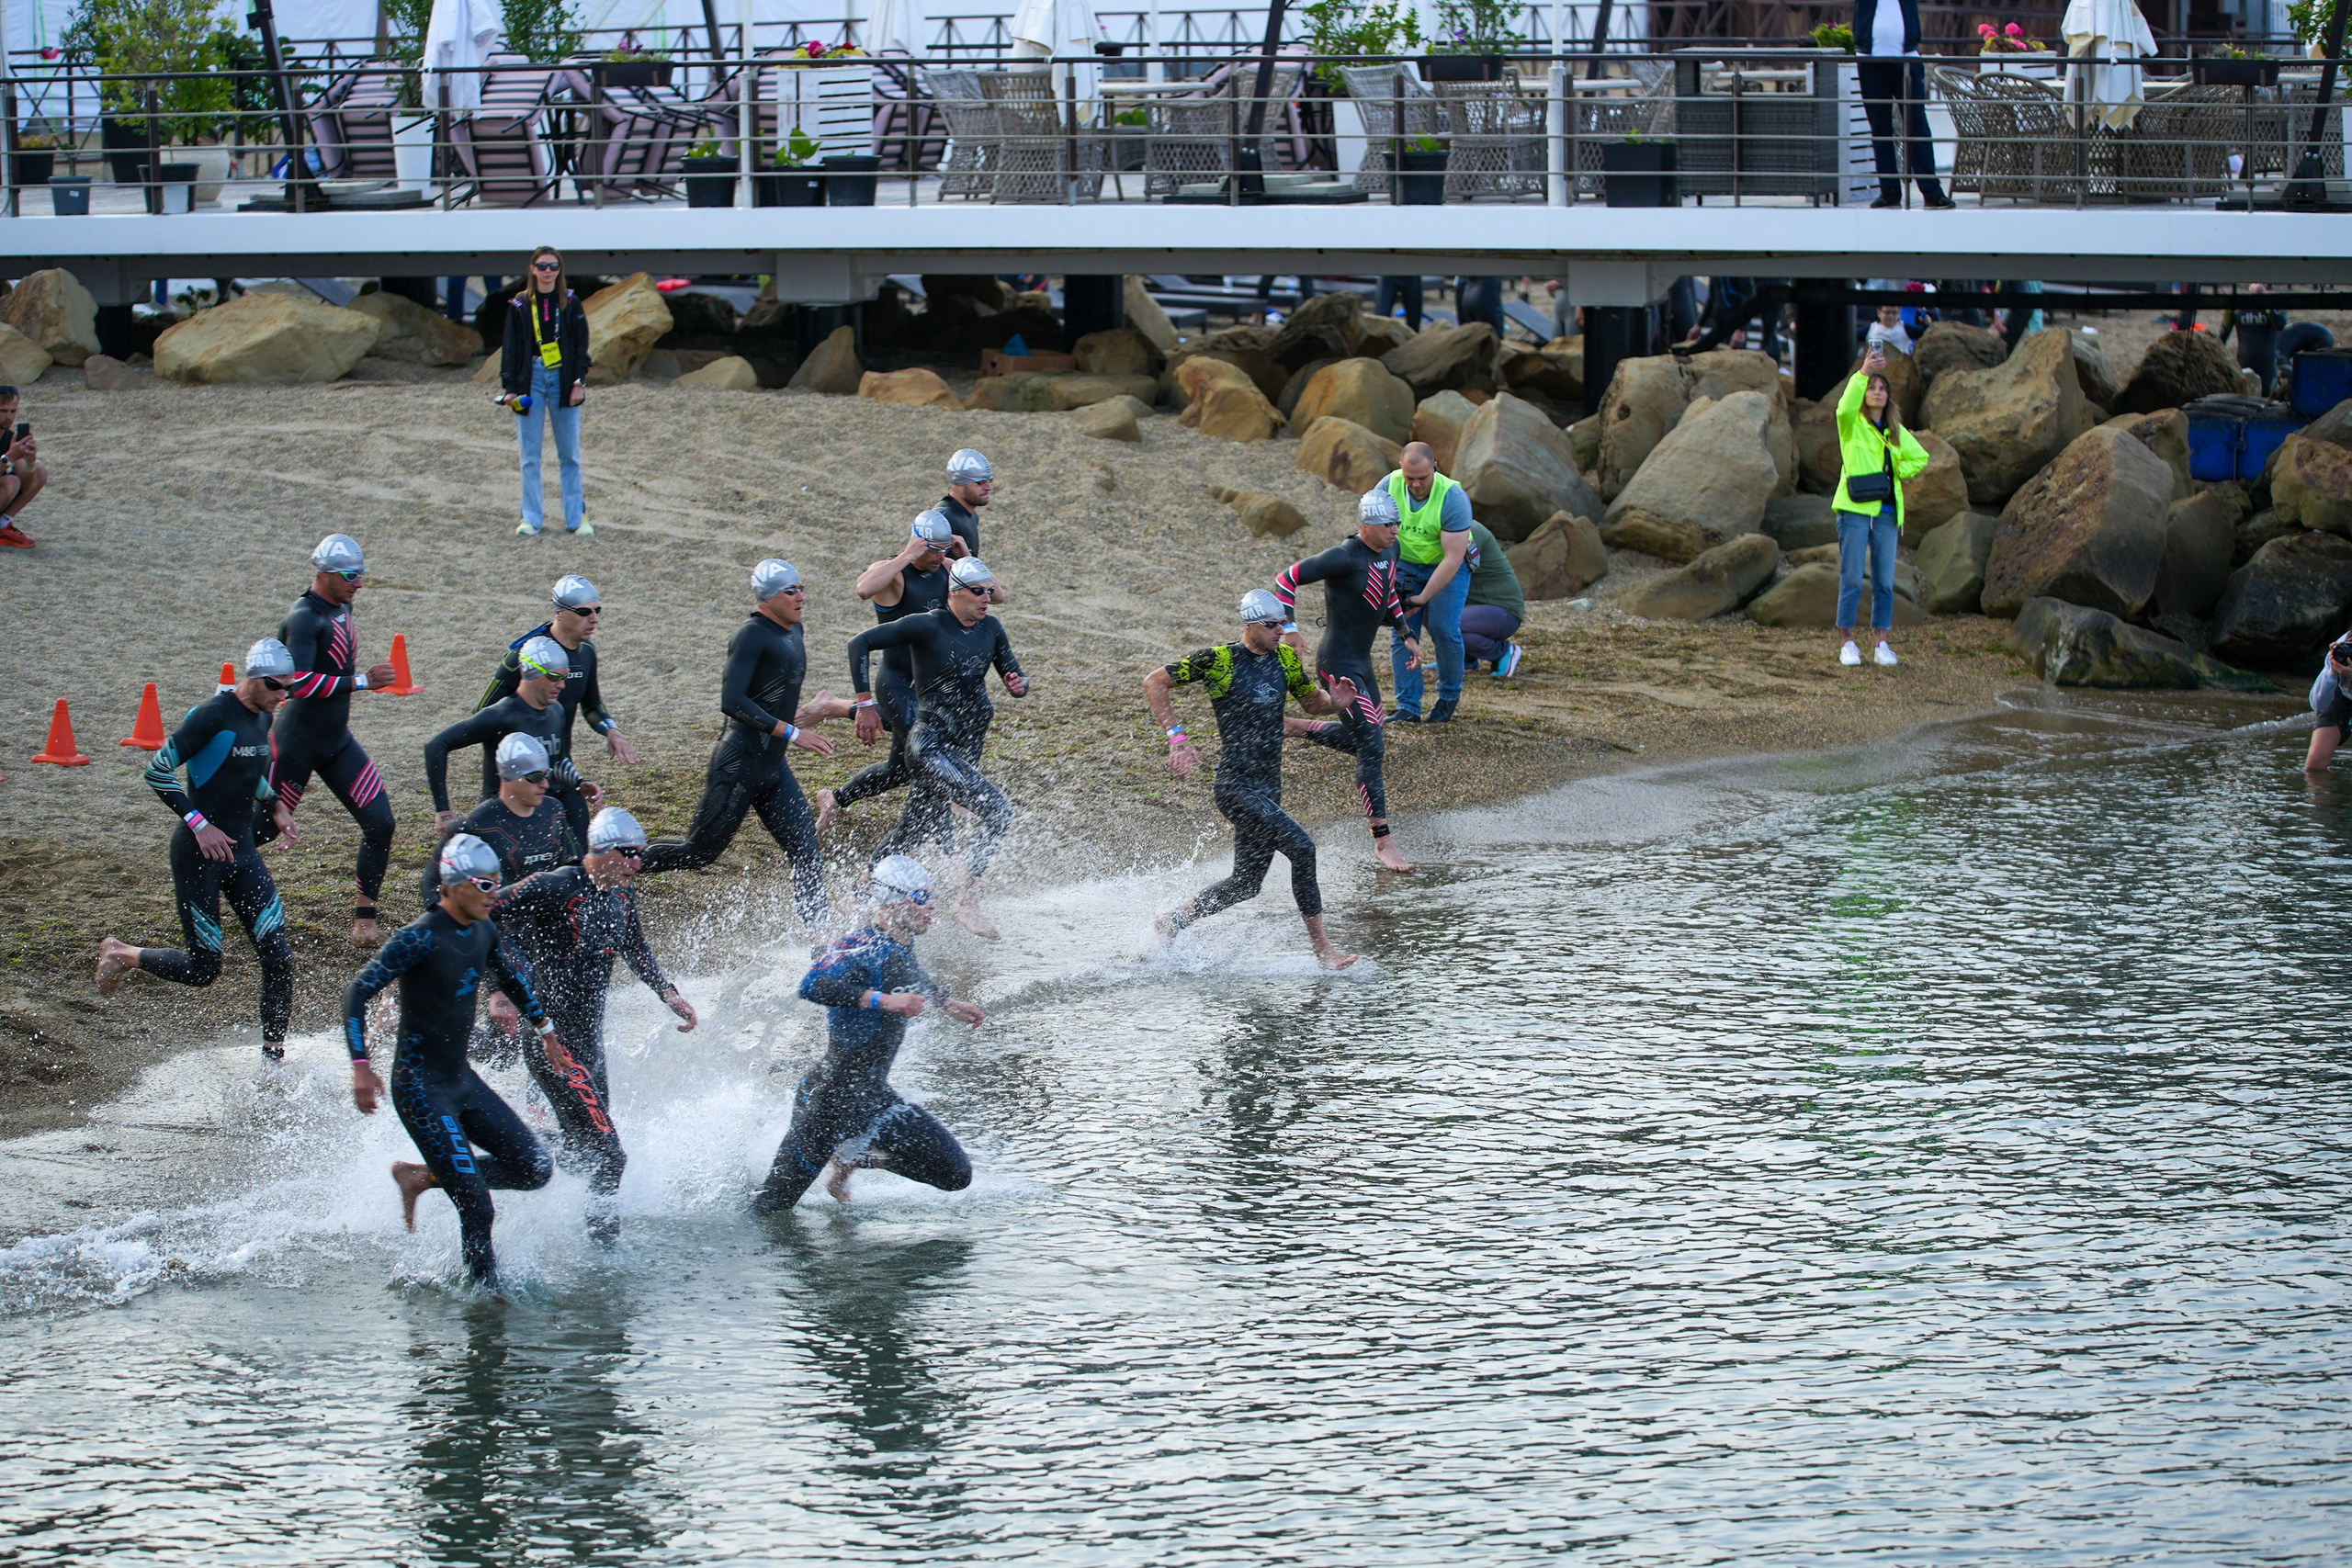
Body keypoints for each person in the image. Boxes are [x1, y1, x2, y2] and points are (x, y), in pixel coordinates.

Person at [347, 834, 560, 1291]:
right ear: (452, 884)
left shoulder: (483, 930)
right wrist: (361, 1065)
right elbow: (356, 992)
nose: (494, 895)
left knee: (535, 1168)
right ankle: (489, 1301)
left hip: (462, 1082)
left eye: (498, 884)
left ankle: (420, 1178)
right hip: (420, 1089)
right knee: (478, 1206)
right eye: (486, 885)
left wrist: (546, 1033)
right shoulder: (418, 938)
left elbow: (513, 978)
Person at [493, 807, 697, 1241]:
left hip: (588, 1044)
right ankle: (606, 1251)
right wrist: (501, 988)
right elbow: (484, 911)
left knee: (586, 1151)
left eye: (641, 855)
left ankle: (515, 1146)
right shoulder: (556, 886)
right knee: (611, 1156)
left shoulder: (623, 894)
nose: (638, 864)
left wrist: (668, 993)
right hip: (550, 1040)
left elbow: (635, 945)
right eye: (630, 854)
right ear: (601, 849)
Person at [96, 639, 301, 1061]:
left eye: (289, 688)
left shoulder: (263, 716)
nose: (283, 696)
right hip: (198, 855)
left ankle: (273, 1063)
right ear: (253, 676)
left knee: (279, 957)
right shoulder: (212, 716)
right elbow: (157, 771)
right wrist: (199, 824)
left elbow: (243, 771)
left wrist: (275, 803)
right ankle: (122, 953)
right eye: (276, 686)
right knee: (203, 969)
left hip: (242, 853)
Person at [750, 855, 986, 1214]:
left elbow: (908, 973)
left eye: (933, 895)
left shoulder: (901, 943)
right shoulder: (858, 944)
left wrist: (945, 1002)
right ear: (894, 902)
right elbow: (812, 985)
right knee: (769, 1210)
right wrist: (883, 1001)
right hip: (828, 1103)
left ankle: (856, 1157)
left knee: (955, 1174)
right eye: (923, 896)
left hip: (872, 1098)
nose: (933, 904)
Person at [1144, 590, 1361, 970]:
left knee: (1245, 884)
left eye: (1284, 624)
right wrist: (1177, 737)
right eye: (1272, 625)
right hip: (1235, 786)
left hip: (1268, 787)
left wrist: (1335, 703)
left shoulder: (1285, 660)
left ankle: (1169, 924)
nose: (1281, 631)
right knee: (1303, 849)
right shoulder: (1219, 660)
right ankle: (1323, 949)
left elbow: (1311, 702)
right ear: (1250, 624)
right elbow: (1154, 682)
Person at [639, 559, 850, 927]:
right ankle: (607, 868)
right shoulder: (751, 635)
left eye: (802, 588)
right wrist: (794, 733)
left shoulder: (794, 631)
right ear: (767, 598)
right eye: (791, 591)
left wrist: (810, 713)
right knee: (698, 853)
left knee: (806, 851)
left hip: (772, 769)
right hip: (738, 765)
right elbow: (732, 702)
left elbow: (773, 698)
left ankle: (821, 944)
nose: (801, 597)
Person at [845, 557, 1028, 940]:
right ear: (956, 591)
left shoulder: (991, 628)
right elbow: (859, 642)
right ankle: (968, 898)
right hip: (930, 747)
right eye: (978, 591)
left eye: (989, 590)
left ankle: (860, 893)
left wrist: (1017, 682)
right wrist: (864, 700)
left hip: (960, 749)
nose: (986, 598)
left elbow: (1015, 673)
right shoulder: (927, 625)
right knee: (998, 811)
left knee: (912, 832)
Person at [259, 533, 401, 945]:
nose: (360, 583)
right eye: (351, 575)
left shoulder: (342, 606)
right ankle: (205, 876)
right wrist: (361, 681)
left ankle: (365, 919)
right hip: (297, 744)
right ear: (325, 573)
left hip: (336, 741)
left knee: (381, 822)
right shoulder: (304, 617)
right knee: (262, 832)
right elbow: (297, 683)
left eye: (362, 574)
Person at [1273, 489, 1420, 874]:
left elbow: (1387, 593)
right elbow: (1286, 578)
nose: (1395, 530)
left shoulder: (1391, 549)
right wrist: (1289, 628)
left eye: (1398, 524)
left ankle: (1297, 727)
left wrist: (1406, 632)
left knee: (1368, 741)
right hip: (1337, 662)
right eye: (1389, 524)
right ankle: (1383, 841)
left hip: (1362, 662)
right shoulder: (1343, 556)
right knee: (1371, 744)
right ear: (1367, 524)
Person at [818, 510, 958, 838]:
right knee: (926, 757)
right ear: (918, 542)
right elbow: (864, 588)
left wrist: (962, 556)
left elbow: (996, 594)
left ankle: (835, 799)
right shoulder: (895, 575)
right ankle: (950, 853)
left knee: (898, 770)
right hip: (896, 683)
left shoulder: (946, 567)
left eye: (943, 549)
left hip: (927, 687)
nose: (939, 557)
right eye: (932, 549)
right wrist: (908, 555)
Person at [475, 574, 638, 843]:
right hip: (518, 777)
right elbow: (483, 712)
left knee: (582, 850)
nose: (594, 618)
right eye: (584, 612)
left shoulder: (586, 653)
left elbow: (592, 705)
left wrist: (612, 731)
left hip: (561, 770)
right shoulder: (525, 656)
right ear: (560, 613)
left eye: (598, 610)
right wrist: (521, 748)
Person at [424, 636, 598, 835]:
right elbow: (436, 745)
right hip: (503, 813)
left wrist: (579, 782)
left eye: (564, 677)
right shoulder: (501, 715)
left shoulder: (557, 711)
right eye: (554, 677)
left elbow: (557, 761)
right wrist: (443, 811)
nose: (561, 685)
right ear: (532, 673)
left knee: (581, 846)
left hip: (541, 806)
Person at [1833, 344, 1932, 668]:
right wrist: (1863, 372)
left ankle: (1882, 643)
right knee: (1851, 577)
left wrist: (1893, 474)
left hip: (1888, 514)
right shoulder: (1851, 423)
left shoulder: (1895, 432)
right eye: (1872, 388)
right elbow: (1843, 408)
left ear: (1888, 397)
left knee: (1885, 582)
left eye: (1881, 388)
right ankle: (1848, 642)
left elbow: (1920, 457)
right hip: (1855, 509)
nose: (1876, 392)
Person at [419, 732, 580, 901]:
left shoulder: (554, 810)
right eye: (536, 777)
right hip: (499, 924)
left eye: (547, 775)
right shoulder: (475, 825)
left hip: (547, 920)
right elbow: (430, 883)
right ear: (511, 776)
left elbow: (577, 868)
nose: (545, 784)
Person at [503, 245, 591, 537]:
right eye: (542, 266)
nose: (548, 272)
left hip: (563, 379)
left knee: (570, 455)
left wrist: (579, 382)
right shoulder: (519, 305)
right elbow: (511, 348)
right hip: (532, 379)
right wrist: (511, 389)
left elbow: (581, 345)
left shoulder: (570, 302)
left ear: (560, 270)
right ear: (532, 269)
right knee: (530, 455)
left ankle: (577, 519)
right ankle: (531, 518)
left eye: (554, 267)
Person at [1384, 446, 1473, 724]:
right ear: (1401, 468)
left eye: (1423, 477)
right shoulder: (1388, 486)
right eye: (1410, 478)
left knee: (1444, 630)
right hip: (1405, 564)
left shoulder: (1453, 497)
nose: (1417, 484)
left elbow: (1454, 557)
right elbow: (1373, 536)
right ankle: (1408, 706)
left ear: (1435, 465)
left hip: (1446, 566)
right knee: (1402, 630)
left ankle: (1448, 696)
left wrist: (1423, 597)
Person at [1855, 0, 1953, 209]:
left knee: (1917, 125)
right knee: (1880, 129)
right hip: (1870, 60)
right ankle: (1889, 190)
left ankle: (1932, 191)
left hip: (1907, 59)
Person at [1461, 517, 1526, 677]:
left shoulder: (1469, 530)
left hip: (1503, 609)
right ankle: (1464, 658)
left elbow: (1455, 572)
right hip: (1474, 608)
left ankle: (1503, 652)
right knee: (1429, 609)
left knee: (1449, 624)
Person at [0, 384, 48, 549]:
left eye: (13, 411)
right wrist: (10, 457)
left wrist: (30, 460)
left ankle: (3, 525)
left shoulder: (10, 438)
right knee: (10, 483)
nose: (9, 417)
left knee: (39, 470)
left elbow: (27, 485)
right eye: (3, 411)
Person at [2305, 636, 2352, 773]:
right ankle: (2320, 793)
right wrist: (2332, 672)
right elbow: (2318, 704)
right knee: (2315, 763)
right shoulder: (2344, 645)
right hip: (2343, 699)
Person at [934, 449, 990, 558]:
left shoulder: (972, 515)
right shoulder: (943, 519)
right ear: (959, 482)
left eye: (989, 480)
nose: (989, 487)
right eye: (980, 482)